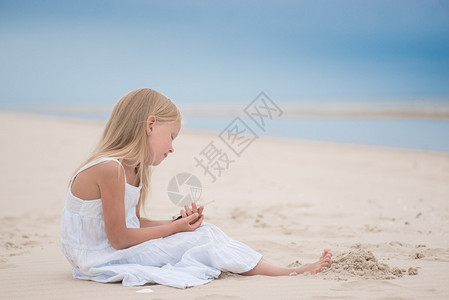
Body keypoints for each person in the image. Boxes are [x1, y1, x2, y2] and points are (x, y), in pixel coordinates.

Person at [60, 88, 332, 289]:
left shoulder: (133, 168)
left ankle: (279, 270)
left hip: (111, 248)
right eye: (171, 136)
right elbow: (119, 237)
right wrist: (173, 230)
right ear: (151, 125)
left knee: (200, 231)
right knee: (203, 238)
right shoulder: (110, 168)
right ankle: (288, 273)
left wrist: (177, 222)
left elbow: (135, 221)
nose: (171, 147)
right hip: (98, 257)